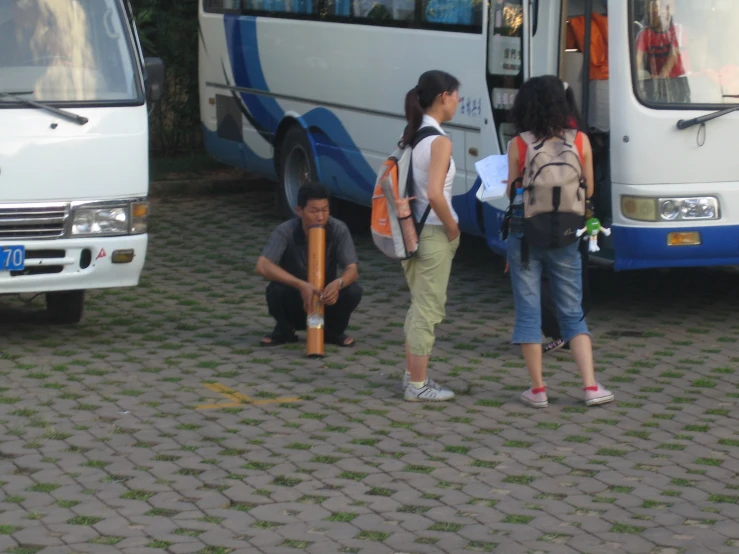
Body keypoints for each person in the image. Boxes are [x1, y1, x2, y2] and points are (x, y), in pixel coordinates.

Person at [506, 75, 614, 408]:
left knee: (528, 313)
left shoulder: (519, 144)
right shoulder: (579, 140)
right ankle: (590, 386)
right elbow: (590, 189)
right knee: (572, 312)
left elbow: (512, 190)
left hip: (525, 235)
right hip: (567, 232)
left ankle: (537, 390)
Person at [399, 70, 461, 402]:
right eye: (456, 95)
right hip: (434, 234)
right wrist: (453, 228)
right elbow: (436, 194)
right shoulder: (440, 141)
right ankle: (418, 385)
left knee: (418, 306)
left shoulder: (414, 134)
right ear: (443, 97)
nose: (458, 101)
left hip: (412, 233)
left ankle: (413, 376)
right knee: (428, 310)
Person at [256, 182, 362, 347]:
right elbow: (262, 265)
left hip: (326, 297)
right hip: (296, 297)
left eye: (325, 210)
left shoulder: (338, 229)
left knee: (353, 290)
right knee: (275, 290)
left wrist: (338, 284)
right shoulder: (285, 230)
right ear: (299, 211)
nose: (320, 217)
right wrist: (300, 285)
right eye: (314, 211)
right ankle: (284, 330)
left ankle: (332, 332)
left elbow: (352, 269)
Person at [541, 81, 592, 355]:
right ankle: (576, 333)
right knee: (573, 277)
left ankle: (558, 333)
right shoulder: (580, 135)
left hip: (539, 219)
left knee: (542, 279)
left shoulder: (531, 137)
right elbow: (590, 186)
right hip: (574, 218)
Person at [635, 0, 690, 103]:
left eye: (667, 7)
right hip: (658, 82)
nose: (662, 11)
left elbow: (673, 55)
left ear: (674, 10)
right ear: (650, 10)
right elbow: (637, 58)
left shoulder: (679, 29)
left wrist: (662, 76)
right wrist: (639, 74)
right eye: (658, 7)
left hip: (680, 80)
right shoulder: (644, 34)